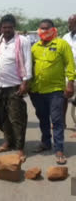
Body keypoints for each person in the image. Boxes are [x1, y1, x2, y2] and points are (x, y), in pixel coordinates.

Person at [29, 19, 75, 165]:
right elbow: (30, 67)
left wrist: (70, 84)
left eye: (46, 28)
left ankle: (59, 148)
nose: (43, 31)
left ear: (53, 30)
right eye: (41, 29)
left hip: (55, 90)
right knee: (42, 118)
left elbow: (70, 64)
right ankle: (45, 142)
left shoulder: (62, 44)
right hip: (37, 89)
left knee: (57, 119)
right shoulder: (35, 47)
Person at [0, 14, 32, 161]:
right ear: (1, 28)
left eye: (9, 27)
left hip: (14, 86)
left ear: (14, 27)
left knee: (17, 119)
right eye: (4, 27)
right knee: (3, 117)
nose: (6, 30)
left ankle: (20, 148)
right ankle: (8, 141)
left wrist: (25, 82)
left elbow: (27, 62)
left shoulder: (22, 41)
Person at [63, 14, 76, 134]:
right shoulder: (66, 37)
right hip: (67, 74)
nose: (69, 25)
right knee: (63, 98)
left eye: (72, 22)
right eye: (69, 22)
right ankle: (61, 122)